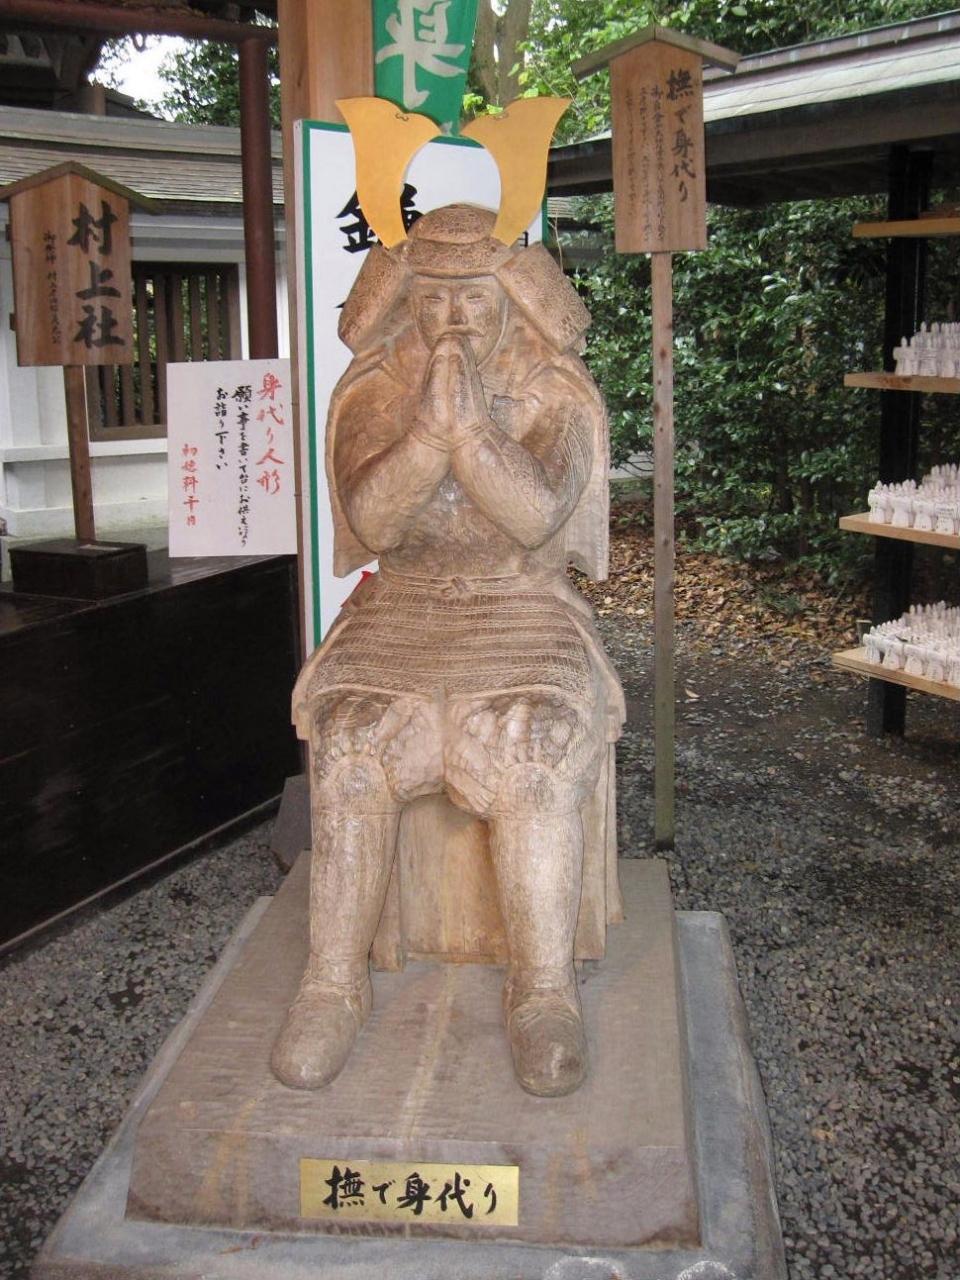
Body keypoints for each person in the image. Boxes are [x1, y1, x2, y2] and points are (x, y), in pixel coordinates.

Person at [271, 203, 623, 1098]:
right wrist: (428, 432)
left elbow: (535, 516)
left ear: (510, 303)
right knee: (352, 742)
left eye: (473, 300)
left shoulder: (551, 391)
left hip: (519, 605)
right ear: (407, 306)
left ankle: (543, 992)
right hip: (403, 607)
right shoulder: (375, 390)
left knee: (532, 747)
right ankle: (332, 984)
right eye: (432, 301)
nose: (452, 320)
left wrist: (470, 431)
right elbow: (373, 521)